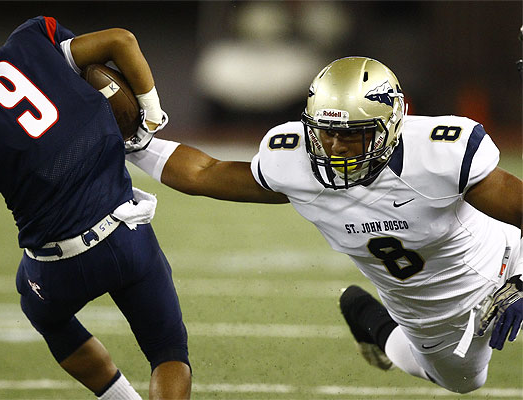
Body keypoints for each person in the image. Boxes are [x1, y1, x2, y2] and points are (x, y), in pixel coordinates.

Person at [125, 56, 522, 394]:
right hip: (427, 304)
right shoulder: (296, 164)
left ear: (392, 124)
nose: (334, 147)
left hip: (508, 254)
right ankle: (372, 320)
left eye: (352, 135)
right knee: (463, 381)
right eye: (326, 133)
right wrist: (135, 143)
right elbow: (206, 173)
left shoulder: (441, 154)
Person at [0, 17, 191, 399]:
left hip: (62, 266)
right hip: (128, 233)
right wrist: (150, 114)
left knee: (40, 307)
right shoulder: (33, 40)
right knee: (168, 351)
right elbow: (121, 39)